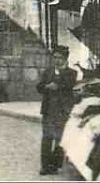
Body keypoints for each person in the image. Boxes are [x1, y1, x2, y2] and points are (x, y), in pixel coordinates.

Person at [37, 45, 77, 176]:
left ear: (65, 59)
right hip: (49, 110)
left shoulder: (71, 73)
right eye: (55, 58)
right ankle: (45, 166)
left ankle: (55, 164)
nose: (57, 61)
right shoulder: (48, 72)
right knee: (47, 138)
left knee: (61, 138)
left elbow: (68, 85)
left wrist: (57, 83)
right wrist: (46, 86)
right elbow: (39, 87)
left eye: (60, 58)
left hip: (63, 110)